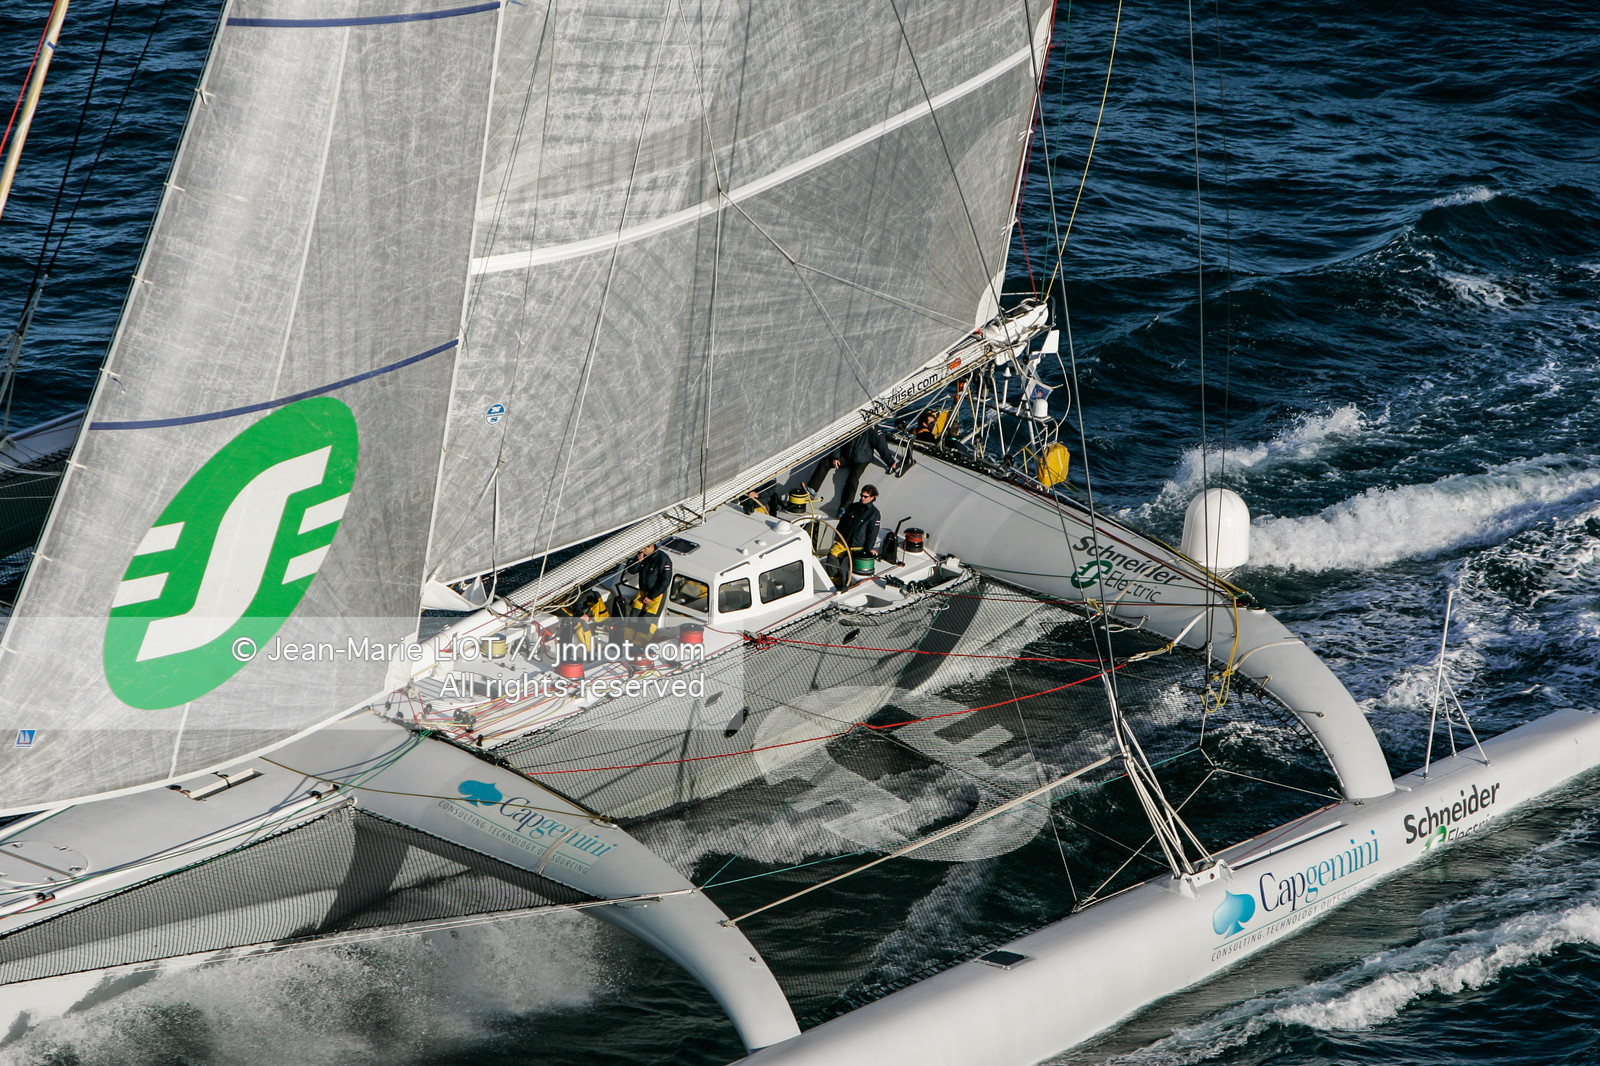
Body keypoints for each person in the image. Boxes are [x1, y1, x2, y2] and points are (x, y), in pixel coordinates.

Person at [807, 426, 898, 508]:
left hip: (862, 459)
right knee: (825, 462)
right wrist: (835, 457)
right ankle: (812, 489)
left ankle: (845, 507)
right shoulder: (851, 423)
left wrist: (890, 462)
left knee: (853, 478)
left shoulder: (873, 430)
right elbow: (838, 440)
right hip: (847, 456)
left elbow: (881, 447)